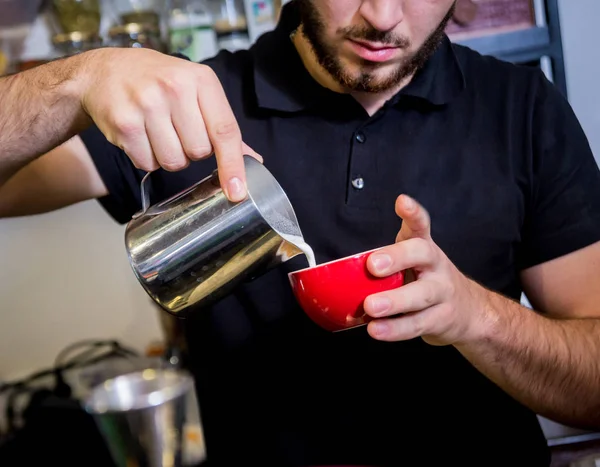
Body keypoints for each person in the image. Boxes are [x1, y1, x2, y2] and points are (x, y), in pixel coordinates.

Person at [1, 0, 600, 465]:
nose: (383, 18)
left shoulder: (522, 109)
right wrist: (76, 82)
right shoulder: (197, 102)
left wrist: (476, 318)